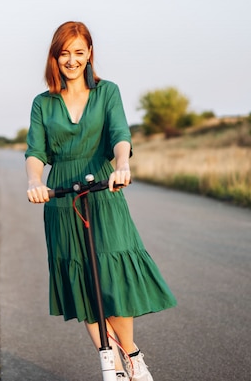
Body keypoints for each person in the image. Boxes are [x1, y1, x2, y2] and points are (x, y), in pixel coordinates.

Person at [25, 21, 177, 381]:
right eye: (65, 53)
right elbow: (35, 151)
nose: (72, 60)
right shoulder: (42, 103)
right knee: (83, 281)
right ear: (55, 57)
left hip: (104, 191)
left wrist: (122, 164)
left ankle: (133, 356)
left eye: (79, 52)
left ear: (90, 53)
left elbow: (120, 134)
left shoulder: (107, 92)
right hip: (62, 197)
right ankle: (109, 363)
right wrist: (34, 180)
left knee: (112, 278)